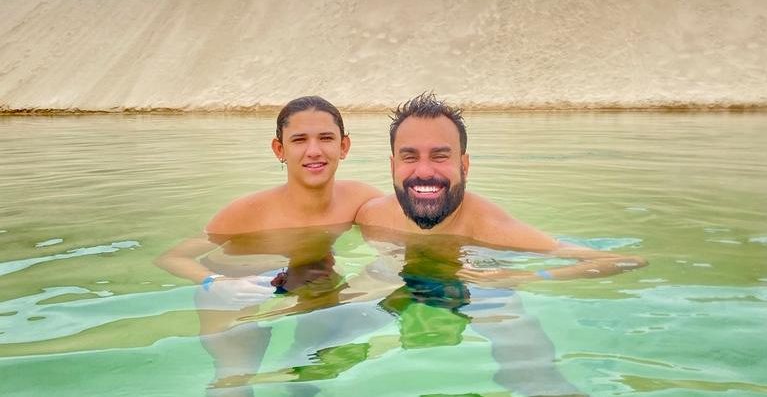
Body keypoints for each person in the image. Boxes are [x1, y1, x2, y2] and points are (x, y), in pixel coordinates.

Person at [353, 91, 648, 395]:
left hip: (479, 286)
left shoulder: (493, 228)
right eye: (410, 156)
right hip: (394, 272)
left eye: (440, 156)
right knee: (331, 327)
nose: (424, 171)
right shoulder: (371, 215)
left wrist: (530, 276)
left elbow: (625, 260)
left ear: (464, 166)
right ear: (392, 165)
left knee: (530, 372)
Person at [155, 96, 384, 396]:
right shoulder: (247, 211)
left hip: (309, 277)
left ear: (344, 146)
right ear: (280, 150)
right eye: (299, 140)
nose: (314, 151)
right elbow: (171, 258)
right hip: (235, 290)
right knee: (234, 378)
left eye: (326, 138)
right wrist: (216, 282)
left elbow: (401, 235)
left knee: (315, 364)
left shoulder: (360, 197)